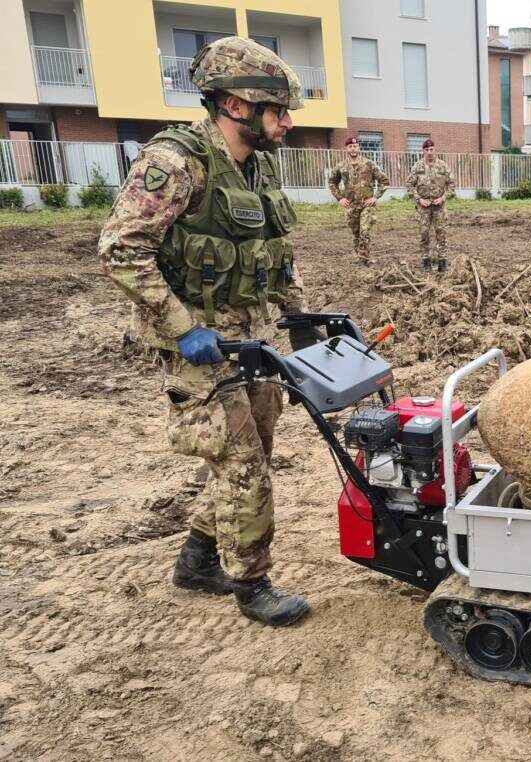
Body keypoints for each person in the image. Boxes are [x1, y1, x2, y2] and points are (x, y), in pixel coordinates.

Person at [97, 37, 322, 627]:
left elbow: (276, 253)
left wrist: (299, 321)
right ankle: (253, 585)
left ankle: (197, 561)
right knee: (240, 455)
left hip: (247, 334)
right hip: (192, 343)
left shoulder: (258, 167)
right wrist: (181, 327)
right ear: (235, 105)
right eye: (279, 109)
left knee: (251, 448)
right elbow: (121, 249)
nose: (288, 122)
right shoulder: (174, 163)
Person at [328, 136, 390, 267]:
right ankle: (360, 256)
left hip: (367, 204)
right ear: (347, 149)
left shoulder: (369, 164)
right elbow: (332, 182)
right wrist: (340, 198)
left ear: (359, 148)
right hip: (351, 206)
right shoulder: (341, 166)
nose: (353, 149)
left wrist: (376, 197)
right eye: (350, 146)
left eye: (355, 146)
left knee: (364, 231)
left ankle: (364, 259)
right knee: (356, 233)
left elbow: (384, 181)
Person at [405, 138, 455, 272]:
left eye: (431, 149)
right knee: (424, 234)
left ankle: (442, 262)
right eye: (426, 150)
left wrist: (443, 197)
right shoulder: (417, 167)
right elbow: (409, 186)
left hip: (439, 207)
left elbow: (451, 185)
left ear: (435, 150)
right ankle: (426, 261)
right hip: (423, 207)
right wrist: (419, 199)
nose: (429, 152)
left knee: (441, 234)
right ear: (423, 151)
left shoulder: (443, 166)